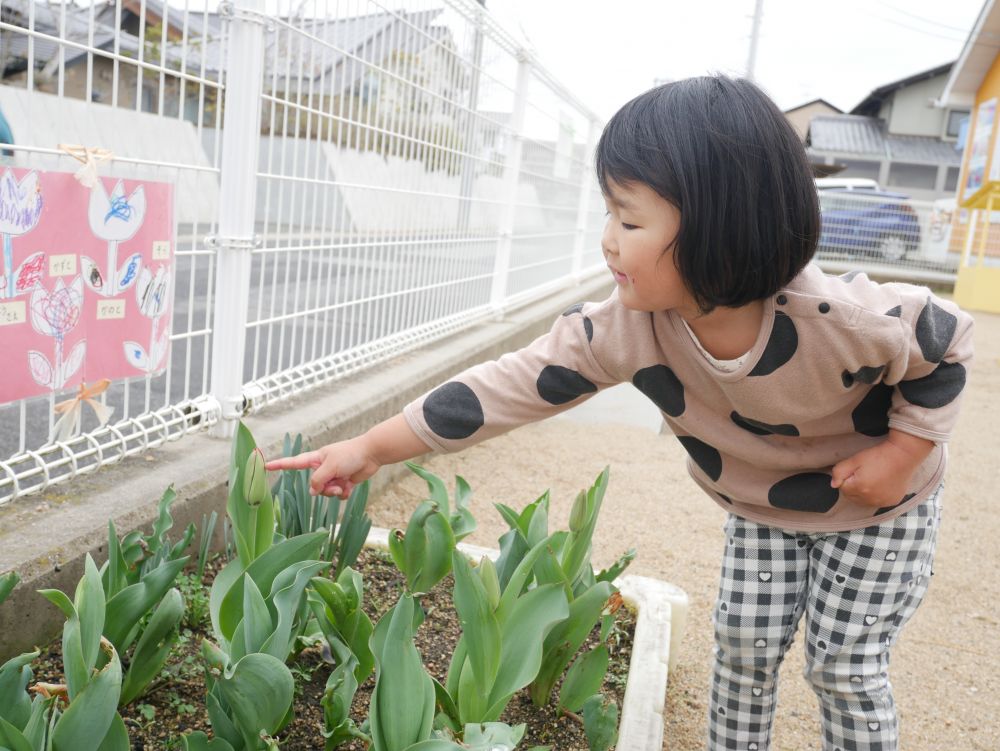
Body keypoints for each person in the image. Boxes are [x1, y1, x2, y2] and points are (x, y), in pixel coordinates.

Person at [266, 76, 974, 751]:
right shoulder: (627, 328)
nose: (607, 237)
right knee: (743, 648)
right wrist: (372, 447)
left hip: (882, 507)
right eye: (609, 211)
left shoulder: (845, 319)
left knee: (842, 666)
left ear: (722, 230)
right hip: (766, 507)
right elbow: (503, 386)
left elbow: (949, 344)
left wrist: (904, 452)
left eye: (628, 217)